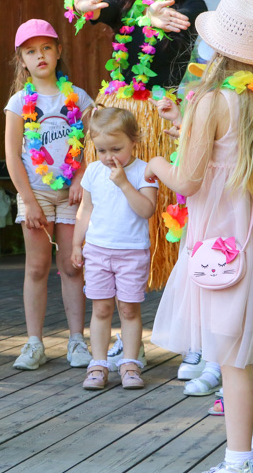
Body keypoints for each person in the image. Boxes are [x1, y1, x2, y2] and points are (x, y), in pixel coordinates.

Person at [148, 0, 253, 473]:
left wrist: (154, 162)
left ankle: (237, 461)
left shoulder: (211, 102)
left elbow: (188, 179)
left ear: (219, 46)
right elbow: (231, 158)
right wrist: (181, 127)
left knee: (231, 359)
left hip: (225, 243)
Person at [67, 0, 208, 382]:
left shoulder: (190, 7)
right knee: (112, 215)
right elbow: (88, 13)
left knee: (172, 224)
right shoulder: (126, 6)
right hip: (116, 121)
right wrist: (78, 6)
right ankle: (127, 346)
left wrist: (145, 21)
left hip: (161, 122)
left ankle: (192, 341)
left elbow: (172, 42)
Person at [4, 19, 94, 370]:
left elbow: (93, 143)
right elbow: (12, 154)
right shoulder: (18, 103)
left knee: (72, 267)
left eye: (46, 48)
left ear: (58, 51)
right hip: (35, 193)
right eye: (30, 51)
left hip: (72, 193)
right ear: (21, 60)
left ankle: (76, 340)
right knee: (37, 267)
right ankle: (33, 342)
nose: (39, 55)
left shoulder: (78, 97)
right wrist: (27, 200)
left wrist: (81, 178)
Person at [72, 107, 157, 390]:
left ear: (135, 141)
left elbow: (146, 210)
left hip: (131, 252)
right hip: (97, 251)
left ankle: (130, 362)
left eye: (116, 149)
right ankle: (98, 363)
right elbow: (85, 209)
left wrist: (123, 184)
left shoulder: (143, 171)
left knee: (129, 310)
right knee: (101, 308)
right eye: (101, 150)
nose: (109, 157)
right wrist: (76, 243)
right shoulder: (94, 172)